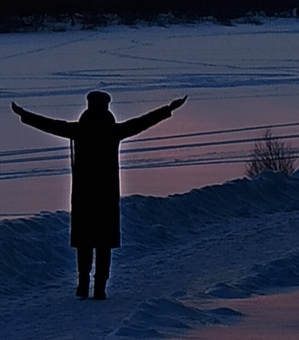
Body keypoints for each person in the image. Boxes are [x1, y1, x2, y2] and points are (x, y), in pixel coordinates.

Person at [11, 90, 187, 299]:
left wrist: (24, 115)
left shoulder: (79, 130)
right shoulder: (112, 131)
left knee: (84, 242)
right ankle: (100, 287)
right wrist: (168, 109)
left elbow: (50, 125)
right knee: (103, 244)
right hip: (106, 195)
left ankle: (83, 284)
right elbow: (142, 122)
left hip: (84, 195)